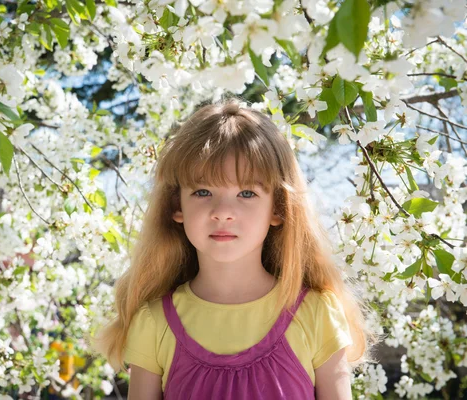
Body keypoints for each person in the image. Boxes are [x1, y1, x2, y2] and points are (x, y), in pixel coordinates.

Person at [90, 98, 378, 399]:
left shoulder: (317, 314)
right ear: (177, 206)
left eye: (246, 193)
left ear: (278, 208)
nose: (223, 211)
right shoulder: (153, 322)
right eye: (203, 191)